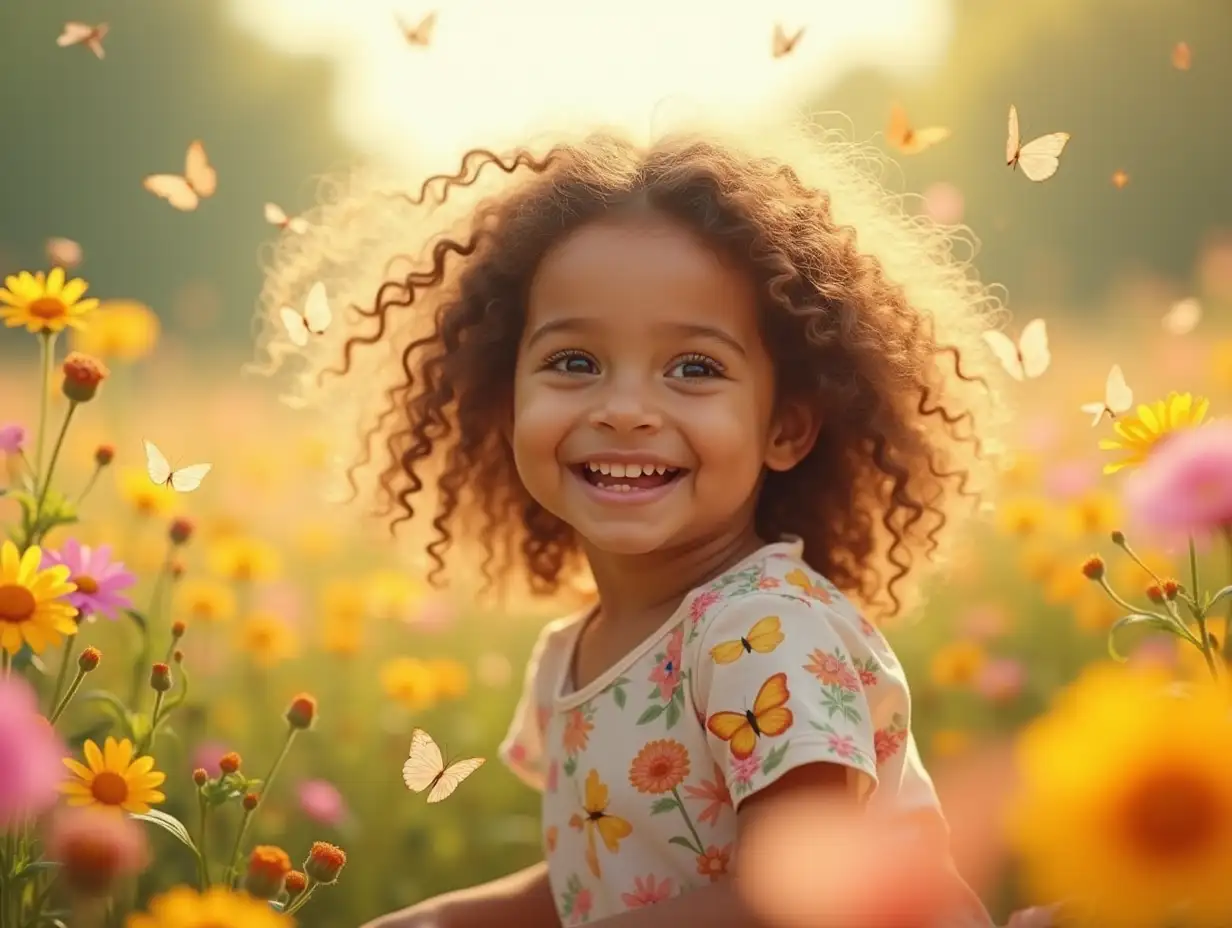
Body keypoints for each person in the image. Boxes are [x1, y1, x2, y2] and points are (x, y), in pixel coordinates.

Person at [276, 127, 1022, 926]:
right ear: (505, 402)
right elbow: (601, 884)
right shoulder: (574, 652)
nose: (625, 409)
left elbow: (795, 902)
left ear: (787, 428)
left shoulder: (765, 631)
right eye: (574, 362)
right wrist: (437, 922)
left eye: (694, 369)